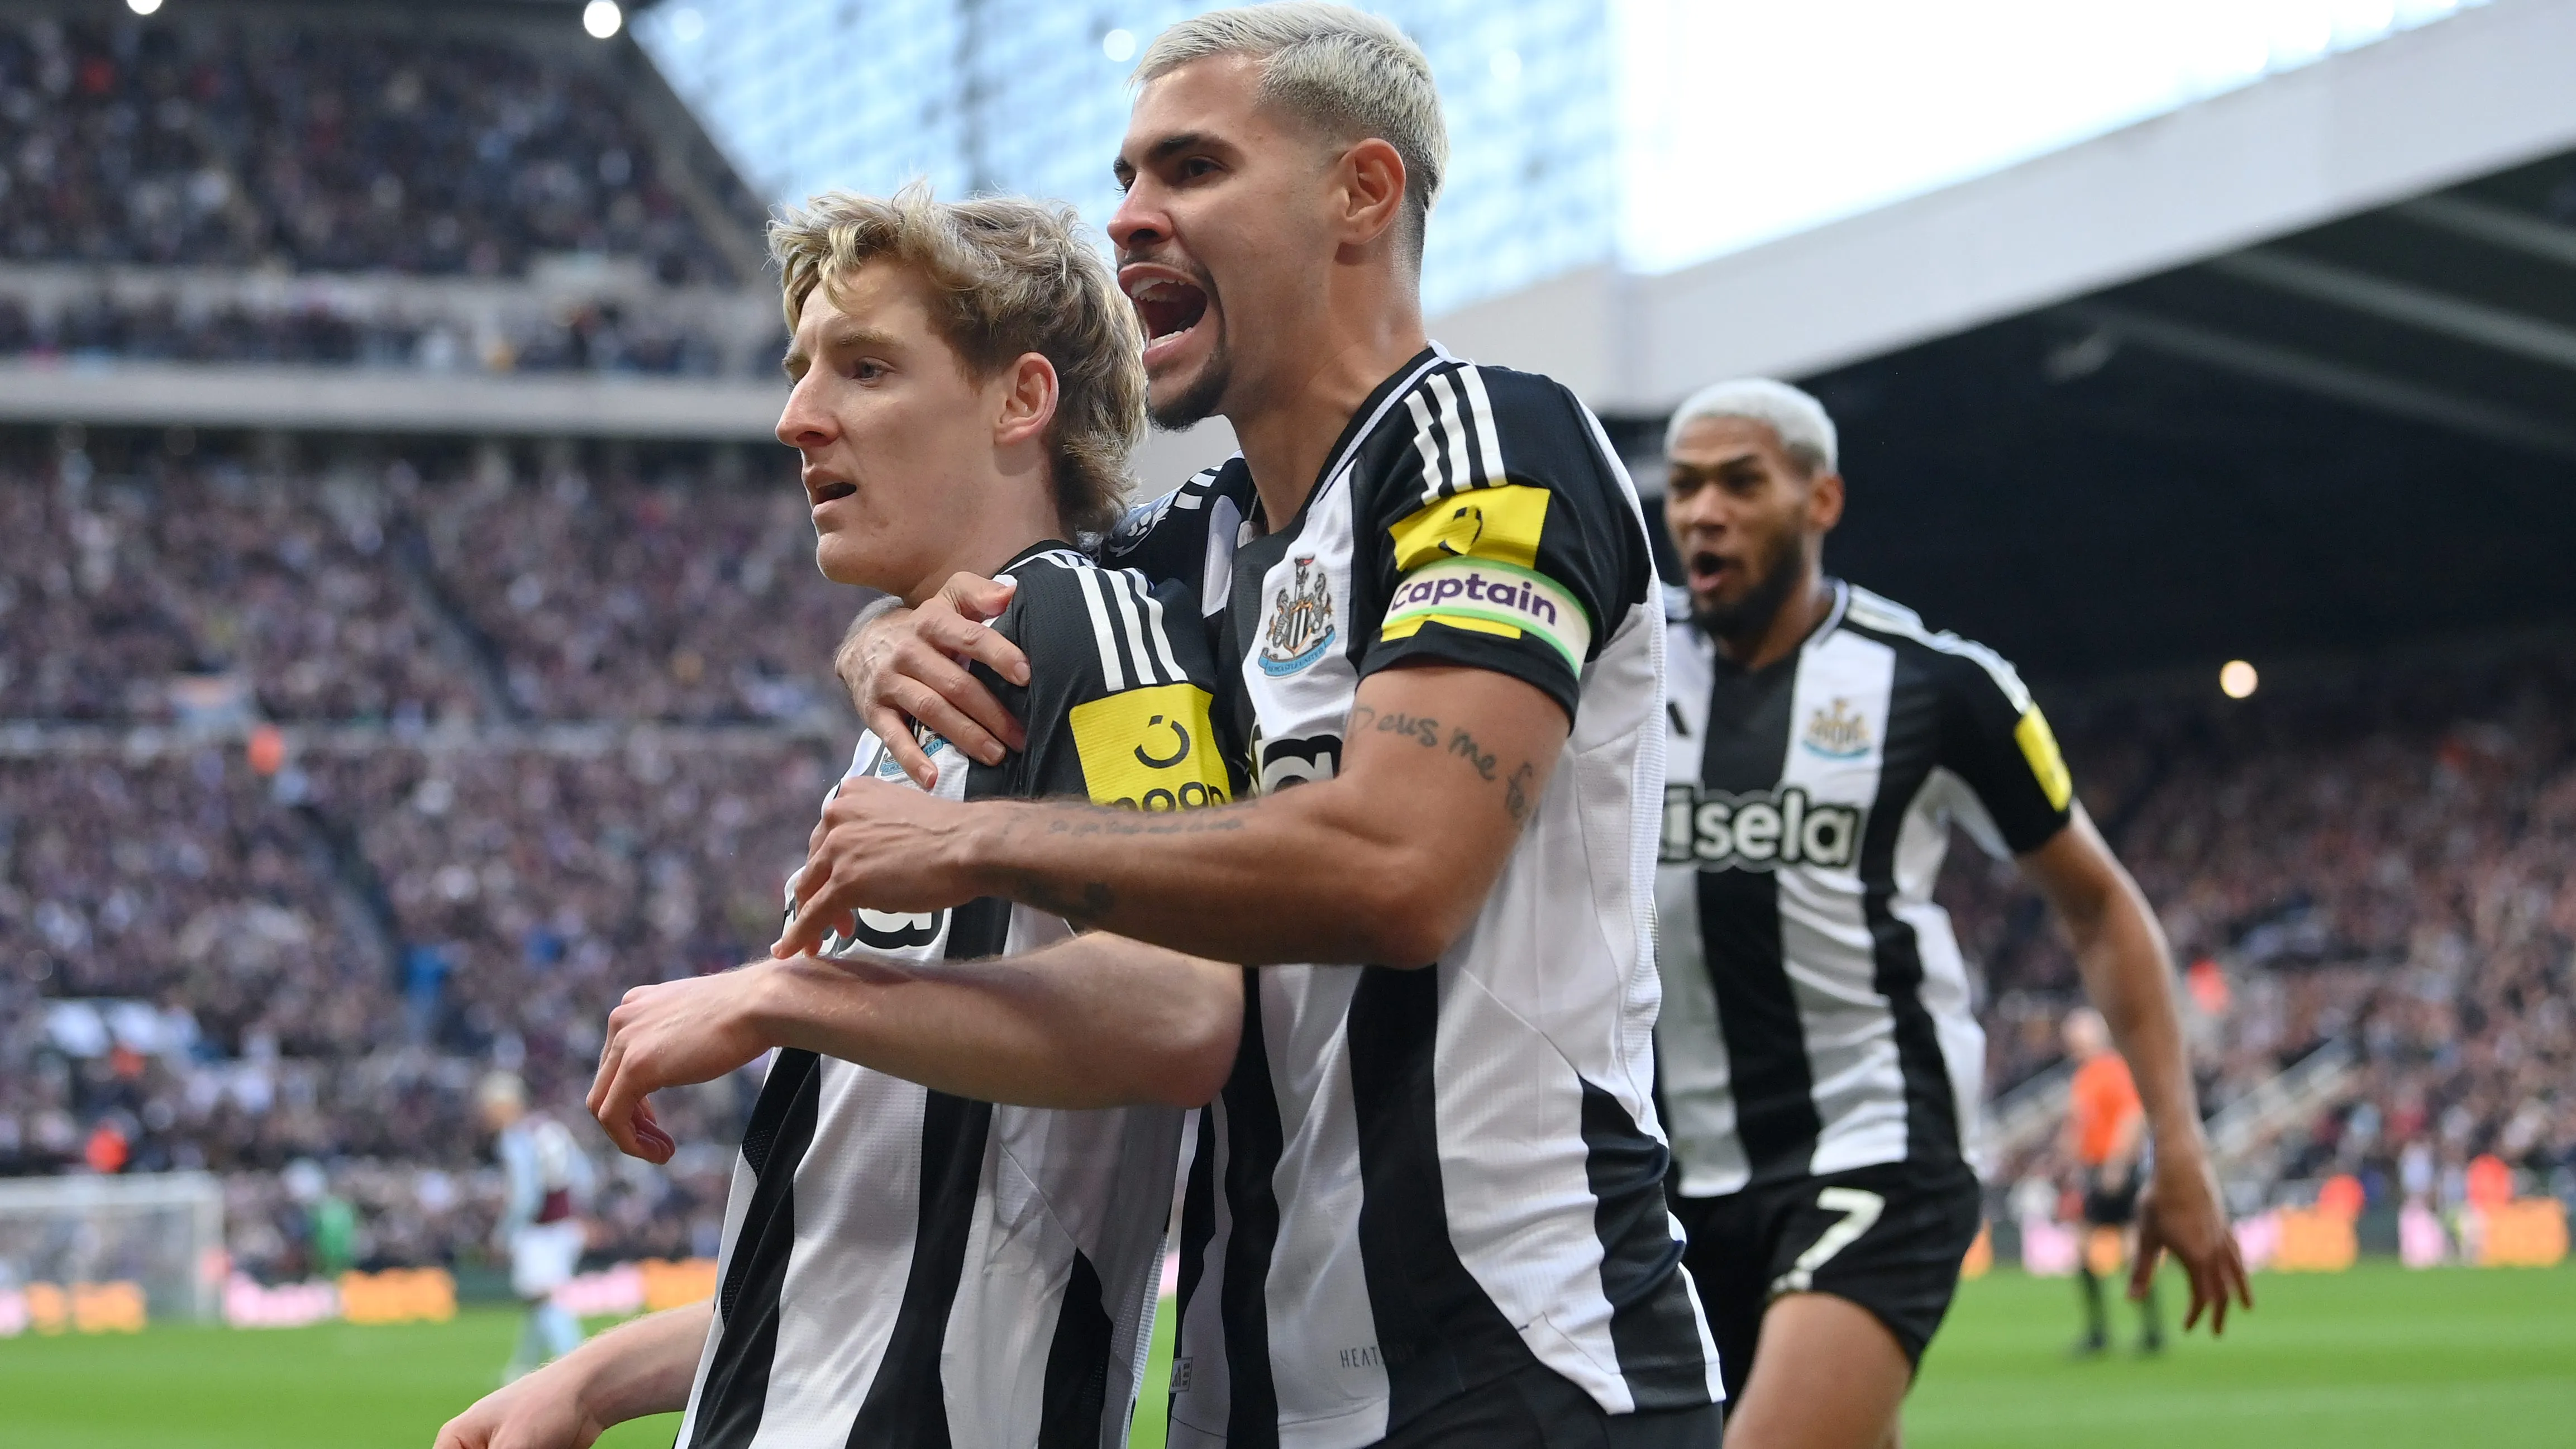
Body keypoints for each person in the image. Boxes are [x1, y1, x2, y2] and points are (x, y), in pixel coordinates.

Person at [595, 7, 1723, 1446]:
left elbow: (1398, 867)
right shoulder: (1183, 556)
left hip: (1520, 1366)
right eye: (1127, 177)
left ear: (1359, 196)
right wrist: (875, 638)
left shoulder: (1484, 446)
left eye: (1190, 170)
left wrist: (969, 843)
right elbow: (1013, 564)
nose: (1131, 220)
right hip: (1248, 1394)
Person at [436, 186, 1244, 1449]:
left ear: (1017, 402)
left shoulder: (1084, 627)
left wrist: (780, 996)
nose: (795, 416)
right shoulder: (931, 685)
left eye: (864, 367)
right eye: (801, 367)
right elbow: (868, 1248)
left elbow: (1187, 1008)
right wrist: (593, 1381)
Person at [1649, 378, 2250, 1449]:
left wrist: (2180, 1141)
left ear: (1819, 499)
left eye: (1741, 482)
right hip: (1666, 1175)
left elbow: (2100, 906)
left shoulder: (1940, 685)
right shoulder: (1612, 669)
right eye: (1685, 485)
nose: (1703, 510)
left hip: (1875, 1144)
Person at [478, 1071, 596, 1384]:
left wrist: (503, 1235)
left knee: (545, 1301)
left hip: (539, 1232)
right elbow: (585, 1175)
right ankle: (522, 1369)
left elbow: (525, 1196)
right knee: (538, 1302)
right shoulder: (550, 1127)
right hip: (565, 1227)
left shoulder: (515, 1137)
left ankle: (577, 1368)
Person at [2063, 1008, 2160, 1355]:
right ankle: (2116, 1332)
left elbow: (2133, 1117)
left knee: (2126, 1249)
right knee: (2094, 1250)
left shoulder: (2112, 1071)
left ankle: (2139, 1332)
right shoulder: (2086, 1075)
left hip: (2115, 1168)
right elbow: (2081, 1124)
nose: (2072, 1045)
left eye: (2077, 1039)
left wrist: (2118, 1163)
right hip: (2096, 1168)